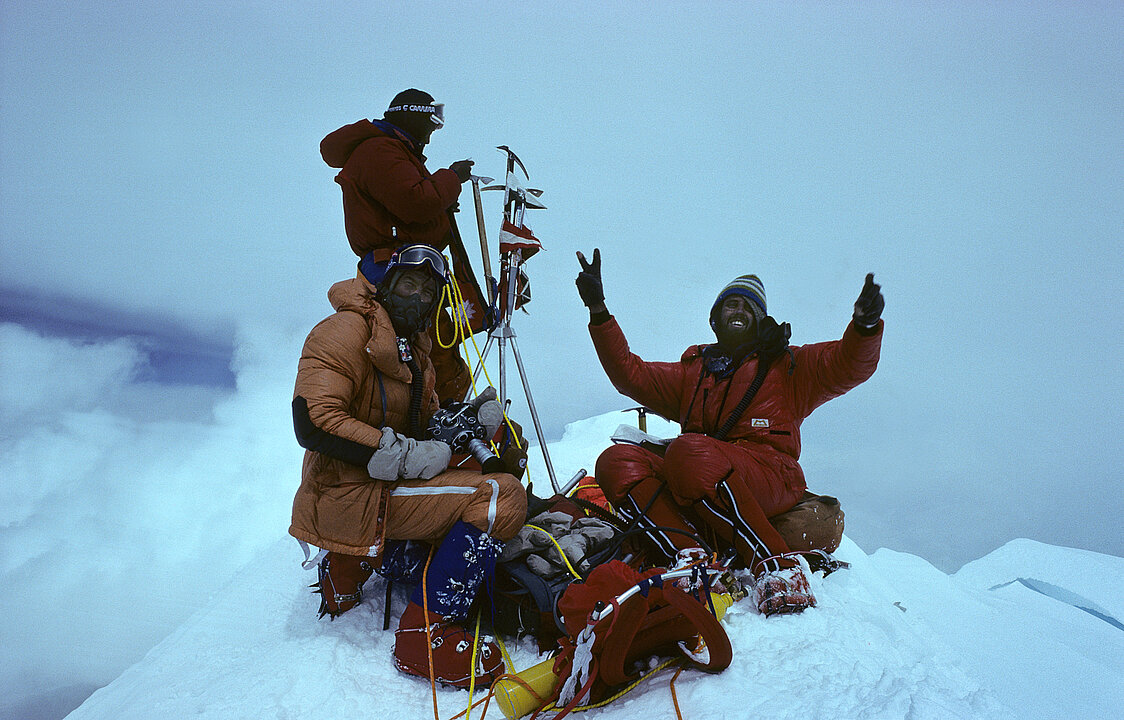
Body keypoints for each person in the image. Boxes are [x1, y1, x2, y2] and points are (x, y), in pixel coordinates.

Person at [574, 249, 884, 616]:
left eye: (749, 307)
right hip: (696, 470)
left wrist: (864, 327)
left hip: (769, 475)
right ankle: (690, 556)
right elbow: (631, 374)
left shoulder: (789, 365)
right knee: (615, 461)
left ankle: (777, 567)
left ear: (761, 319)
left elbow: (848, 364)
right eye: (731, 305)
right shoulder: (695, 371)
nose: (738, 311)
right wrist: (599, 312)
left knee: (689, 451)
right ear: (714, 319)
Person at [290, 243, 527, 687]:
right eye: (409, 284)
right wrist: (403, 452)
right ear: (385, 285)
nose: (417, 297)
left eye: (428, 292)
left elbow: (422, 419)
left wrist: (465, 419)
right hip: (345, 491)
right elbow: (313, 419)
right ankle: (426, 634)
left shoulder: (412, 347)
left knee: (495, 456)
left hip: (376, 489)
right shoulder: (343, 331)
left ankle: (356, 561)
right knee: (501, 496)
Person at [320, 88, 475, 402]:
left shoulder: (391, 151)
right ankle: (432, 416)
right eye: (432, 116)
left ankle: (442, 414)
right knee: (417, 350)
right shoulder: (380, 150)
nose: (435, 126)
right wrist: (451, 179)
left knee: (431, 349)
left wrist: (441, 204)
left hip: (408, 269)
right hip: (395, 272)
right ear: (411, 114)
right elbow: (416, 202)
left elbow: (411, 204)